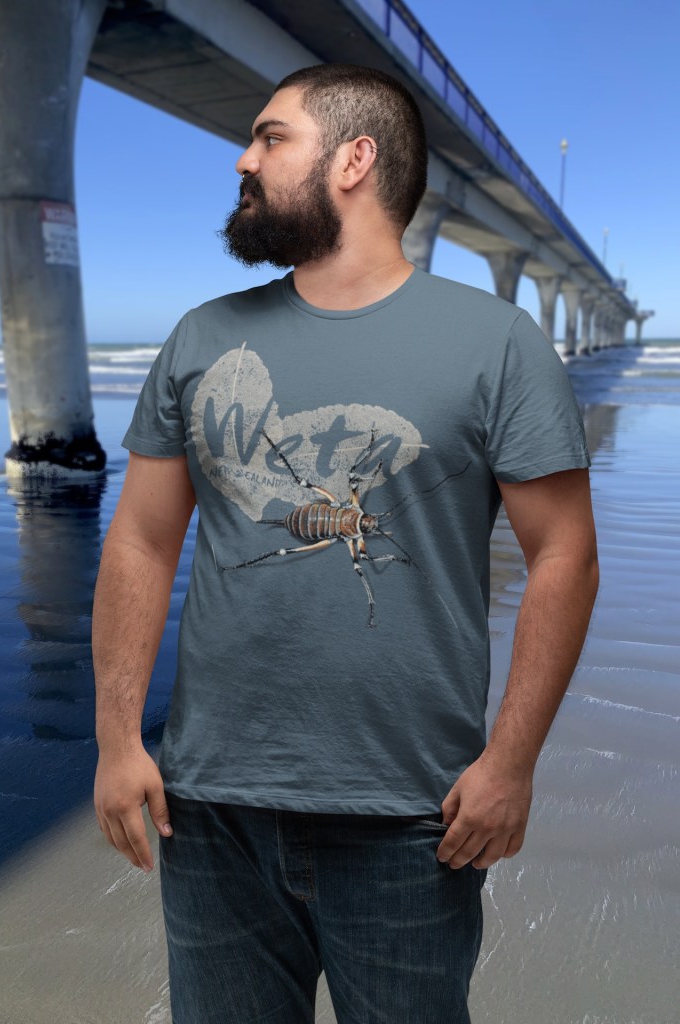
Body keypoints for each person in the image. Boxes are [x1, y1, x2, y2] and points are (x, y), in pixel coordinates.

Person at [93, 63, 599, 1023]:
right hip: (209, 810)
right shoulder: (201, 338)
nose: (243, 157)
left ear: (354, 160)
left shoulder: (498, 344)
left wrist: (512, 762)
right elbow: (141, 545)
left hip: (414, 816)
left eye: (270, 136)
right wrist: (119, 739)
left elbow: (563, 559)